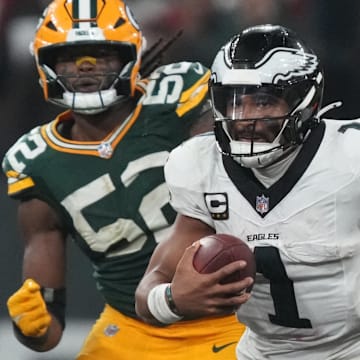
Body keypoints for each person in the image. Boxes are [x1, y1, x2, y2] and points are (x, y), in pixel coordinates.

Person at [2, 0, 246, 359]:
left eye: (101, 54)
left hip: (230, 317)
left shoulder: (177, 99)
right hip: (132, 327)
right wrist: (33, 327)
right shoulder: (35, 161)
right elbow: (49, 329)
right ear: (45, 62)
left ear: (130, 54)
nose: (85, 69)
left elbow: (241, 175)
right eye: (70, 57)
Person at [135, 24, 360, 360]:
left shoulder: (349, 154)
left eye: (265, 102)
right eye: (234, 101)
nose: (246, 118)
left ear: (306, 101)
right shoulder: (198, 165)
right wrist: (172, 301)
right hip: (263, 353)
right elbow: (150, 288)